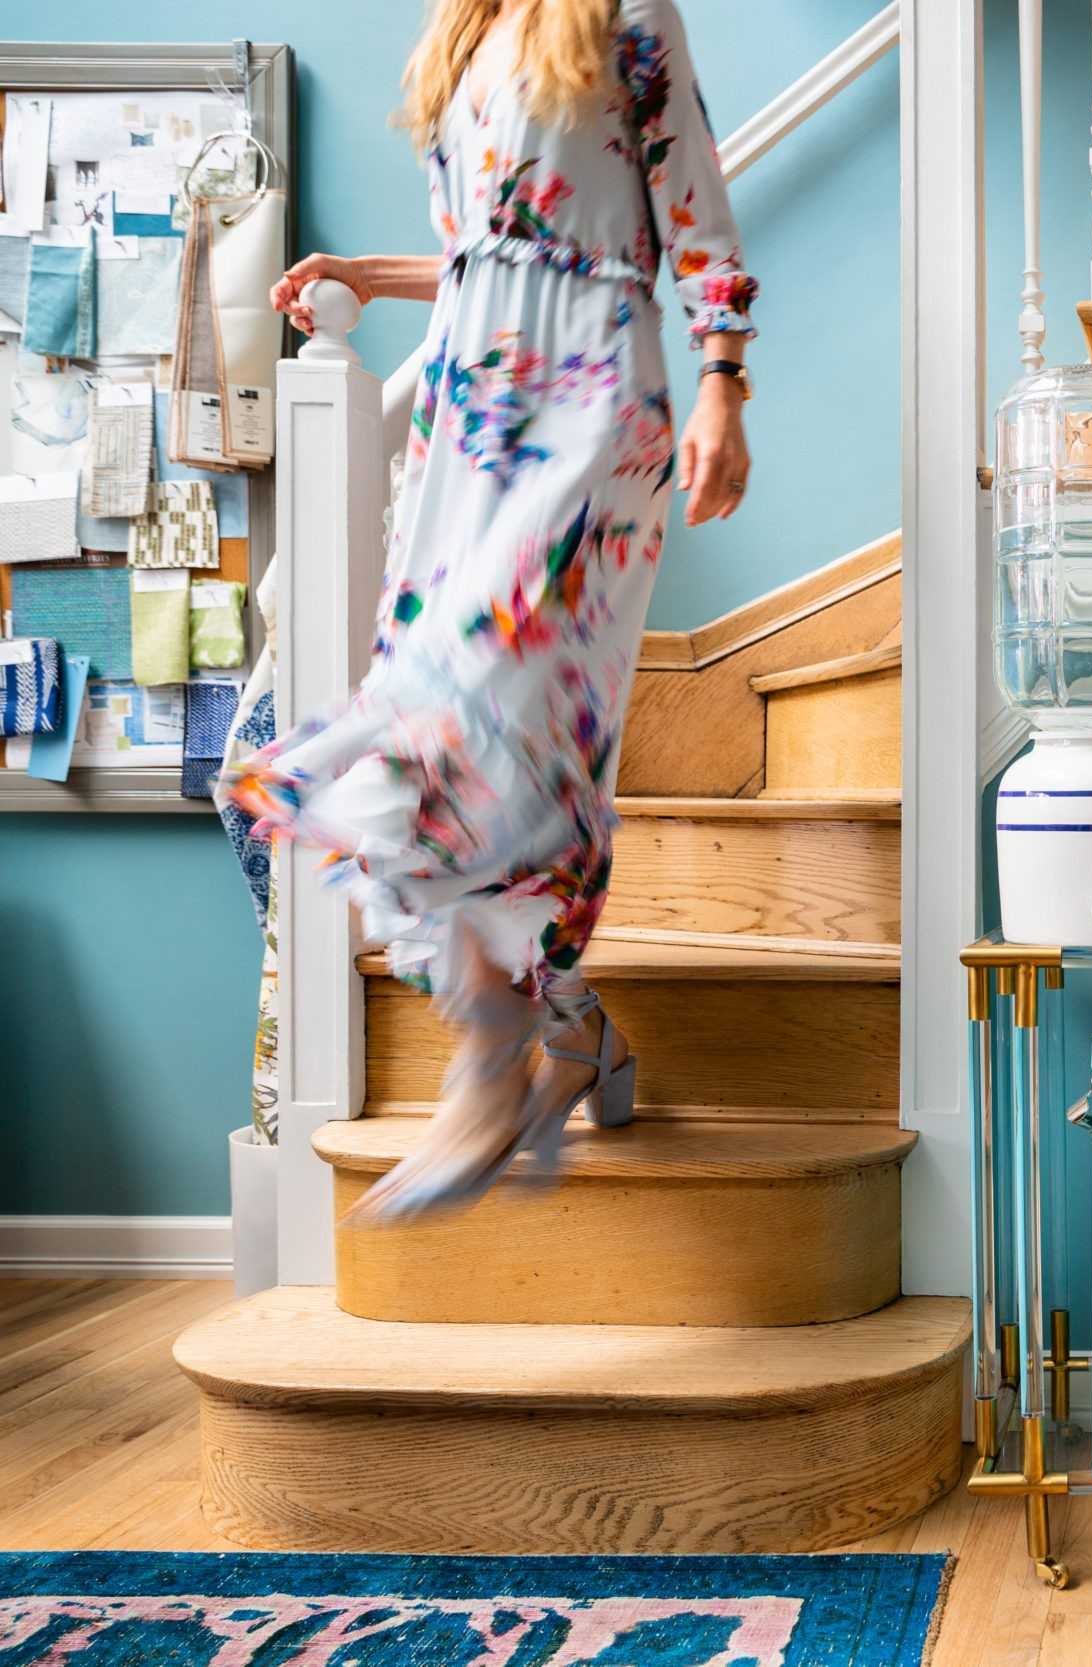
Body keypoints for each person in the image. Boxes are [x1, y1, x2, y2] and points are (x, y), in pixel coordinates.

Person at [224, 0, 758, 1218]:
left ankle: (493, 1045)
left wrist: (723, 382)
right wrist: (370, 275)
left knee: (478, 694)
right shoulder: (463, 28)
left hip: (590, 402)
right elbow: (495, 250)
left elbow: (691, 204)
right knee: (433, 731)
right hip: (475, 417)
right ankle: (564, 1026)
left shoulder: (623, 13)